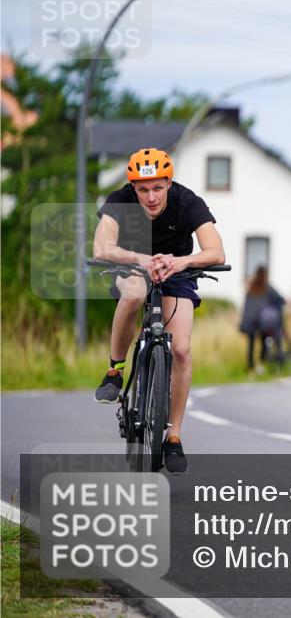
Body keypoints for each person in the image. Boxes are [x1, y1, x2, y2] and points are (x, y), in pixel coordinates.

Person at [92, 147, 225, 474]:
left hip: (177, 274)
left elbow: (216, 251)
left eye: (158, 188)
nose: (151, 197)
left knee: (180, 348)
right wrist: (142, 259)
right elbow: (101, 247)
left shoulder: (187, 201)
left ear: (169, 182)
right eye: (143, 189)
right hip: (133, 269)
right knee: (135, 294)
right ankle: (115, 369)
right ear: (132, 187)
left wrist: (181, 261)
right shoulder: (120, 201)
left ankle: (173, 436)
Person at [240, 265, 287, 372]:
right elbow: (280, 300)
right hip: (261, 322)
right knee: (264, 339)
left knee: (251, 344)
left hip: (249, 322)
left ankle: (250, 367)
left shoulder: (251, 288)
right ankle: (261, 363)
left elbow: (246, 306)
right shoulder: (267, 288)